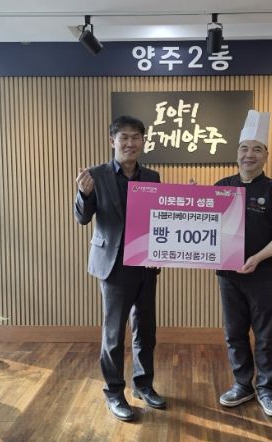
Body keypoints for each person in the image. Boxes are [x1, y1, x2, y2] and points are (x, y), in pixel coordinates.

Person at [74, 115, 166, 422]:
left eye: (135, 137)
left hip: (145, 263)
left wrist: (185, 201)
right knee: (113, 334)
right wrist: (84, 195)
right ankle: (114, 392)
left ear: (143, 141)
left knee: (146, 329)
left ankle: (143, 385)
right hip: (113, 265)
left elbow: (161, 217)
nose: (130, 143)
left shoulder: (152, 176)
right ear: (112, 140)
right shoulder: (95, 175)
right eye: (123, 137)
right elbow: (82, 218)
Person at [215, 110, 272, 417]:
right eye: (245, 148)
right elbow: (206, 225)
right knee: (234, 333)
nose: (250, 154)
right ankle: (242, 385)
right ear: (237, 153)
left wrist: (257, 258)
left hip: (263, 274)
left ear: (266, 155)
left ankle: (266, 388)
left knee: (265, 335)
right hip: (228, 275)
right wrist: (194, 197)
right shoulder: (222, 186)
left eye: (257, 149)